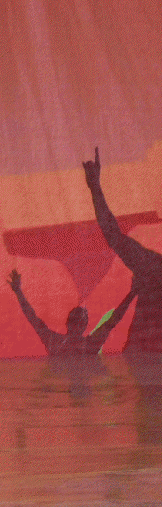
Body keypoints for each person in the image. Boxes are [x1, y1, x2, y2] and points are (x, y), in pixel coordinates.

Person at [82, 147, 162, 354]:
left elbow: (113, 234)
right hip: (141, 355)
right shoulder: (151, 265)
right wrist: (95, 189)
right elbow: (112, 234)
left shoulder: (151, 265)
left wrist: (95, 188)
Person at [7, 268, 135, 357]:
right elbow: (114, 319)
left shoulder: (53, 341)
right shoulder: (91, 345)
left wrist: (18, 291)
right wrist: (132, 293)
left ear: (67, 323)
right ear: (85, 325)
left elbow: (32, 318)